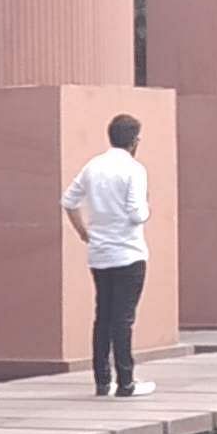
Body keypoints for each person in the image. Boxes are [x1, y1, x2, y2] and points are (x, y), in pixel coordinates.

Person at [61, 113, 156, 398]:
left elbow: (68, 201)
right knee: (124, 318)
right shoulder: (134, 169)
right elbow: (137, 213)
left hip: (99, 254)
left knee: (102, 316)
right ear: (134, 140)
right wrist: (148, 206)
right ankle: (126, 382)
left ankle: (102, 380)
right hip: (128, 252)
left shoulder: (93, 166)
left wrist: (83, 232)